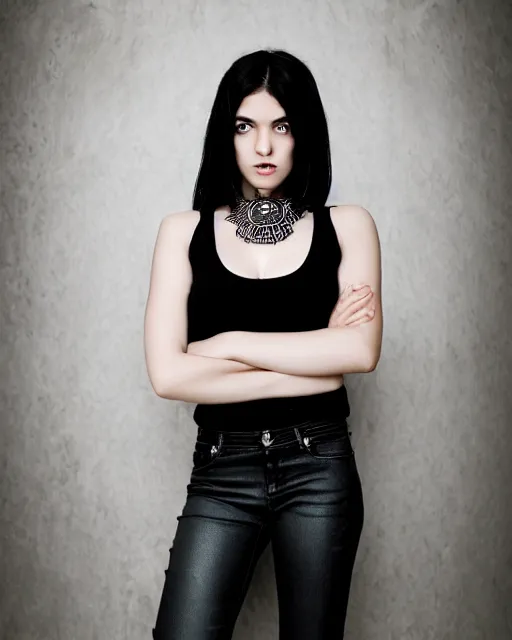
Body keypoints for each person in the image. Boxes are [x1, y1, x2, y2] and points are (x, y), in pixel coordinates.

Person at [144, 48, 382, 640]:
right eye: (246, 126)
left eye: (282, 126)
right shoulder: (183, 232)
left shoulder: (348, 225)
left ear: (304, 134)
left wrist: (224, 343)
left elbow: (360, 352)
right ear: (226, 134)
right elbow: (168, 377)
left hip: (318, 465)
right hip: (222, 469)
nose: (264, 147)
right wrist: (314, 360)